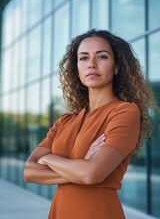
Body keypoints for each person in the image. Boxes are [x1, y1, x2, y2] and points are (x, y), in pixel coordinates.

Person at [24, 29, 154, 219]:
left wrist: (49, 159)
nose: (91, 64)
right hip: (60, 212)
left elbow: (92, 174)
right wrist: (81, 167)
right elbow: (29, 171)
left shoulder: (125, 112)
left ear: (117, 66)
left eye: (102, 56)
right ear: (76, 68)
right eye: (83, 58)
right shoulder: (64, 121)